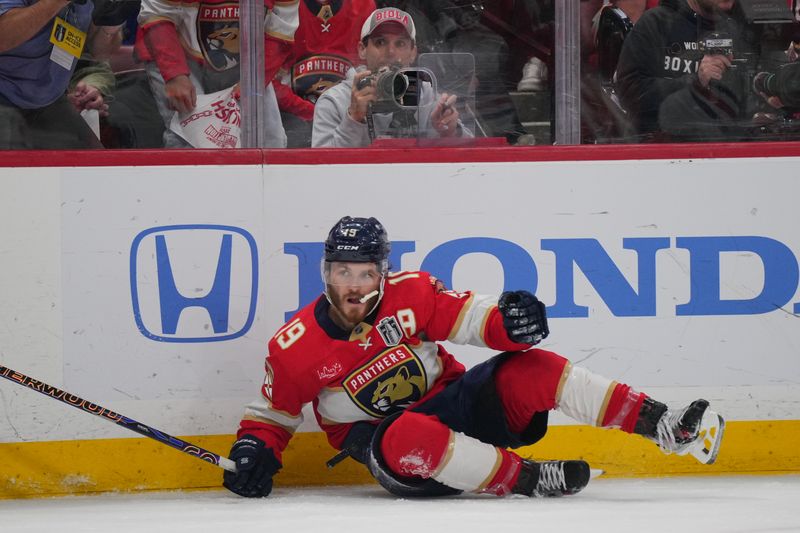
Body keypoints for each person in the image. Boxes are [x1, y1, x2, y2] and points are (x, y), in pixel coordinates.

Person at [223, 216, 725, 499]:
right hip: (399, 454)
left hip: (459, 405)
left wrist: (510, 323)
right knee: (404, 432)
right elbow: (273, 414)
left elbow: (469, 317)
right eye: (342, 273)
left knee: (535, 366)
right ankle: (529, 478)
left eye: (365, 273)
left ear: (383, 272)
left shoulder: (412, 292)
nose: (353, 286)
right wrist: (254, 453)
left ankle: (664, 424)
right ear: (325, 273)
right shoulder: (295, 346)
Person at [135, 0, 298, 148]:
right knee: (189, 138)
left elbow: (280, 29)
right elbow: (157, 13)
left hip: (247, 58)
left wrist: (252, 83)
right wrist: (174, 75)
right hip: (178, 51)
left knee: (269, 139)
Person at [311, 7, 467, 147]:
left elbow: (472, 158)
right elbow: (321, 171)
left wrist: (451, 132)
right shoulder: (334, 100)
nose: (391, 52)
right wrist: (353, 118)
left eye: (400, 44)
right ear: (362, 49)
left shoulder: (423, 94)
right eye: (380, 42)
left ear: (413, 53)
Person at [615, 0, 757, 141]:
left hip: (728, 149)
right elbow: (629, 93)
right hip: (661, 150)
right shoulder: (656, 23)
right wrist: (696, 81)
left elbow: (747, 104)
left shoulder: (740, 30)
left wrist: (764, 111)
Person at [0, 0, 120, 148]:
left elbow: (100, 53)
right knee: (11, 166)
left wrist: (113, 24)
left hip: (48, 100)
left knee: (94, 165)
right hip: (4, 93)